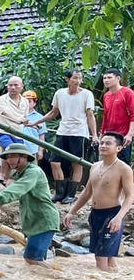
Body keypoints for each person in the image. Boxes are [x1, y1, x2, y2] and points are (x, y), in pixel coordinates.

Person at [0, 142, 60, 265]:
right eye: (7, 157)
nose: (9, 160)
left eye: (13, 156)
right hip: (35, 222)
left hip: (44, 221)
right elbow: (15, 190)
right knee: (35, 261)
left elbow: (18, 188)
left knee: (32, 260)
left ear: (24, 157)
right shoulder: (21, 173)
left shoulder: (33, 172)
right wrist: (0, 203)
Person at [64, 132, 133, 271]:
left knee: (101, 257)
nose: (103, 146)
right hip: (95, 214)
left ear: (118, 148)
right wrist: (72, 211)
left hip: (112, 214)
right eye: (102, 143)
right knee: (106, 256)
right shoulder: (95, 166)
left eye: (108, 143)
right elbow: (87, 193)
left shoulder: (124, 169)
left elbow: (130, 196)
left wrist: (118, 218)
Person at [34, 69, 99, 202]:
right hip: (62, 131)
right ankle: (59, 192)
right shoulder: (60, 93)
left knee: (77, 163)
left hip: (79, 133)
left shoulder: (87, 94)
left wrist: (94, 135)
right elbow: (53, 112)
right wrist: (36, 122)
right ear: (67, 79)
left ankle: (71, 194)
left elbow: (90, 114)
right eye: (75, 78)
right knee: (54, 162)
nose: (78, 81)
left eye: (80, 78)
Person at [0, 76, 31, 179]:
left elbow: (24, 118)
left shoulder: (25, 102)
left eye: (16, 85)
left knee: (21, 156)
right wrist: (19, 120)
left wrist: (34, 124)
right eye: (10, 85)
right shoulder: (1, 99)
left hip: (18, 134)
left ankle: (13, 177)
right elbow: (7, 114)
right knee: (11, 152)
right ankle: (2, 175)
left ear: (22, 87)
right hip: (3, 132)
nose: (13, 88)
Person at [101, 68, 134, 164]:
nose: (106, 80)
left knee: (122, 163)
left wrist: (130, 134)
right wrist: (102, 134)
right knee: (108, 162)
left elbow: (133, 114)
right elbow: (106, 116)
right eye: (104, 78)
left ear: (118, 78)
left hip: (123, 135)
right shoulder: (106, 95)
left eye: (109, 77)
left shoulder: (127, 92)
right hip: (109, 134)